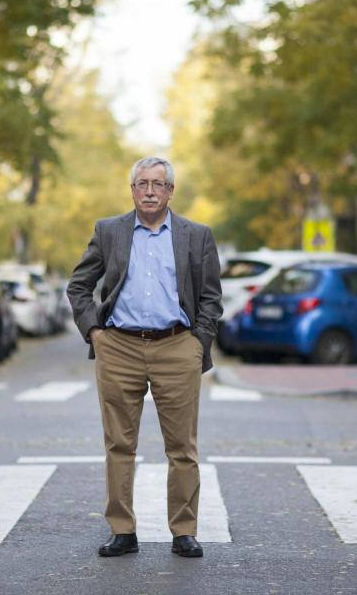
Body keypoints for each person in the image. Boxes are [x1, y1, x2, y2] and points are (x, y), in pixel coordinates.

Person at [66, 156, 223, 558]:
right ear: (132, 190)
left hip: (176, 346)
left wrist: (197, 343)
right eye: (142, 184)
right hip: (119, 346)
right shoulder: (109, 231)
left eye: (157, 184)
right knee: (119, 444)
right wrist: (95, 333)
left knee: (182, 448)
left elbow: (210, 297)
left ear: (171, 191)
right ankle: (122, 530)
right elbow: (79, 286)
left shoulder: (197, 235)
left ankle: (184, 531)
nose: (149, 191)